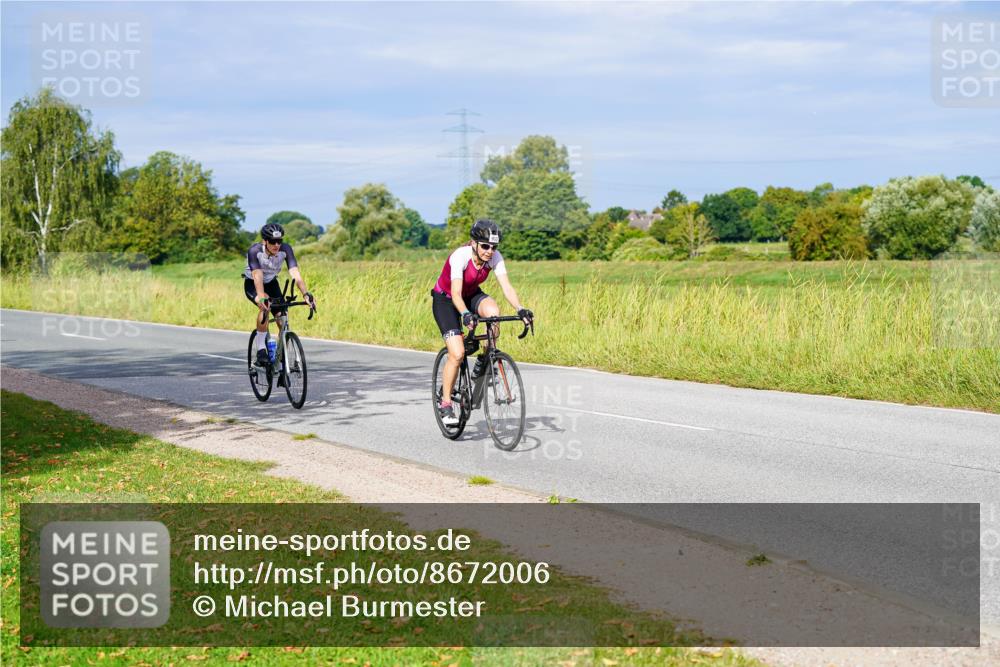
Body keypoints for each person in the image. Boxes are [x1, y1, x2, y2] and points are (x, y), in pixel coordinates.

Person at [431, 219, 532, 426]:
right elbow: (456, 294)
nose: (489, 251)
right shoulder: (460, 256)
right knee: (457, 353)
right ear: (474, 243)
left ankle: (483, 360)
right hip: (447, 299)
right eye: (485, 246)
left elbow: (507, 287)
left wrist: (520, 308)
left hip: (471, 295)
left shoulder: (495, 257)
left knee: (493, 314)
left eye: (493, 247)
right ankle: (446, 403)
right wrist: (466, 314)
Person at [243, 223, 316, 382]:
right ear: (265, 241)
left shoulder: (286, 249)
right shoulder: (255, 251)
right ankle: (261, 348)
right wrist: (262, 297)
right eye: (272, 241)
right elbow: (257, 276)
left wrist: (306, 294)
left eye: (279, 241)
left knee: (282, 317)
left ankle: (281, 364)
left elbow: (295, 273)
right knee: (266, 305)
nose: (277, 245)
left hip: (272, 282)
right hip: (253, 283)